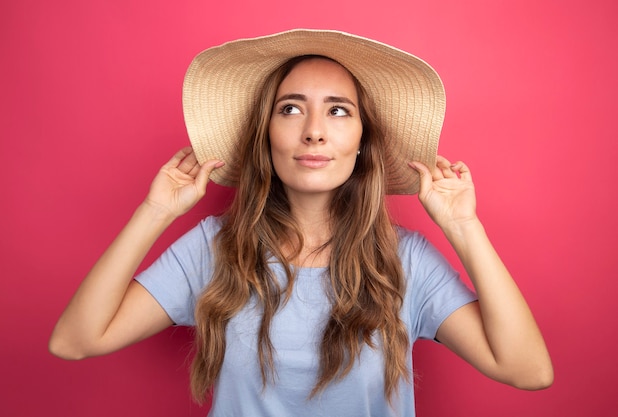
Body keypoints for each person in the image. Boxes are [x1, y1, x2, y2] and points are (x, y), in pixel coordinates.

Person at [49, 29, 553, 416]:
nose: (314, 132)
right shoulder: (213, 248)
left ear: (363, 141)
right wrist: (155, 212)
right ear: (265, 135)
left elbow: (528, 370)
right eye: (291, 109)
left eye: (338, 111)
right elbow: (75, 341)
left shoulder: (406, 261)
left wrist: (464, 227)